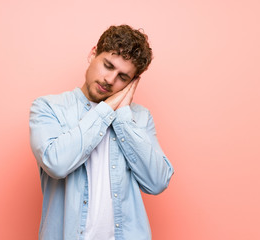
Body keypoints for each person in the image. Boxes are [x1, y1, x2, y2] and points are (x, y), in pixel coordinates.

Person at [29, 24, 174, 240]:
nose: (110, 80)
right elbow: (56, 164)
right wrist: (106, 109)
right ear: (93, 53)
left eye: (123, 77)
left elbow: (157, 182)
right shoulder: (49, 107)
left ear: (132, 82)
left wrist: (123, 116)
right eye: (107, 65)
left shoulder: (139, 118)